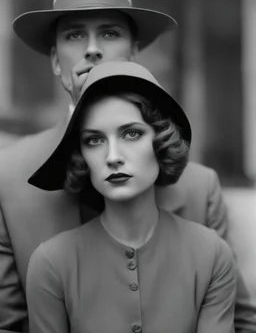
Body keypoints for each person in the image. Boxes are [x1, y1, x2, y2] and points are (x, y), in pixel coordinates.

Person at [0, 0, 248, 333]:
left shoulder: (199, 188)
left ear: (134, 52)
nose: (92, 49)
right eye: (74, 35)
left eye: (110, 33)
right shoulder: (8, 177)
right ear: (55, 60)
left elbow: (239, 319)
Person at [26, 60, 236, 333]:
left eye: (132, 134)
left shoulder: (211, 254)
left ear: (161, 140)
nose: (113, 157)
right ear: (81, 156)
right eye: (94, 140)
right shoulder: (51, 263)